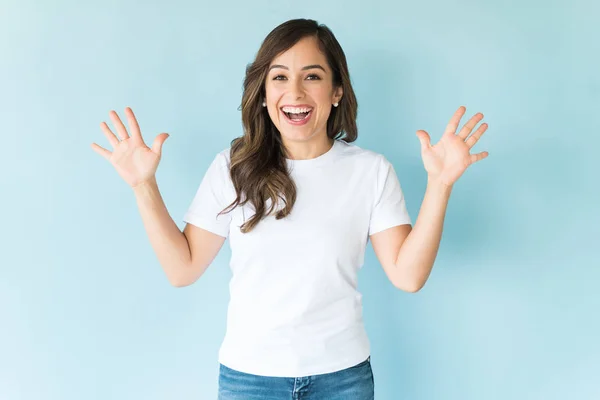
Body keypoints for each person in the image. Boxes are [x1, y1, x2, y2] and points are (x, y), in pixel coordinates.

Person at [91, 18, 489, 400]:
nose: (295, 92)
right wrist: (144, 185)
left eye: (312, 76)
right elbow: (183, 268)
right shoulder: (233, 167)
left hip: (343, 379)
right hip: (250, 381)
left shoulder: (370, 172)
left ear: (337, 91)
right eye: (280, 77)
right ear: (263, 93)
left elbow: (408, 275)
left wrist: (439, 185)